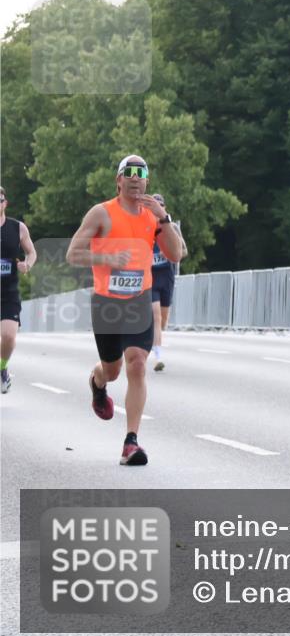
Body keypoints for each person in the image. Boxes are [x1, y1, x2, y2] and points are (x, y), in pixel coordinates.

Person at [66, 155, 184, 465]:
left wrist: (164, 219)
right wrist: (106, 258)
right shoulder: (102, 213)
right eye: (128, 172)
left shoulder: (152, 217)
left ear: (147, 181)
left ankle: (131, 443)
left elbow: (175, 254)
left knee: (137, 365)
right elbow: (73, 254)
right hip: (107, 304)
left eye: (140, 173)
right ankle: (98, 382)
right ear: (119, 180)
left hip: (138, 302)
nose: (135, 177)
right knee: (113, 370)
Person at [0, 187, 38, 393]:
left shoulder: (18, 228)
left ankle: (2, 368)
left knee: (8, 336)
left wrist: (27, 264)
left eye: (0, 200)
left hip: (8, 292)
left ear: (5, 203)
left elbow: (32, 252)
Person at [149, 193, 187, 372]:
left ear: (164, 208)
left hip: (167, 276)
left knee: (162, 321)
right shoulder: (145, 228)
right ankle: (157, 357)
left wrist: (169, 252)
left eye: (160, 206)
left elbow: (183, 251)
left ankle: (154, 339)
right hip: (150, 277)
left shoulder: (171, 228)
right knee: (155, 316)